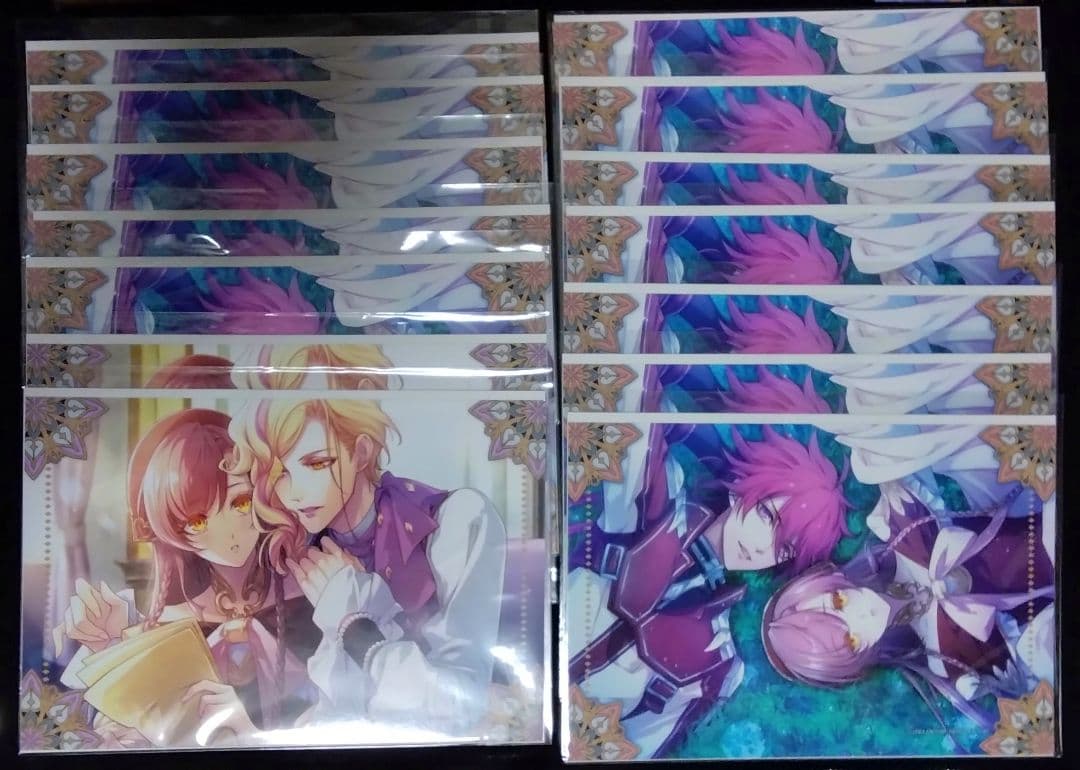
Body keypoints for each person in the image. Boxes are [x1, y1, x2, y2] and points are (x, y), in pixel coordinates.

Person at [227, 396, 506, 735]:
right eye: (280, 474)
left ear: (360, 452)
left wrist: (357, 625)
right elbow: (344, 712)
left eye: (317, 463)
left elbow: (457, 707)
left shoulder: (457, 519)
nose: (295, 493)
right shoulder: (311, 556)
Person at [55, 409, 317, 746]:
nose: (229, 534)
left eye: (240, 502)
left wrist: (251, 734)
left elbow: (344, 710)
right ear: (168, 528)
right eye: (197, 522)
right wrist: (111, 646)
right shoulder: (164, 619)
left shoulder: (309, 586)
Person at [762, 494, 1054, 732]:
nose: (861, 615)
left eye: (838, 602)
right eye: (851, 640)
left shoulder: (900, 523)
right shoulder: (948, 660)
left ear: (831, 580)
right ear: (855, 664)